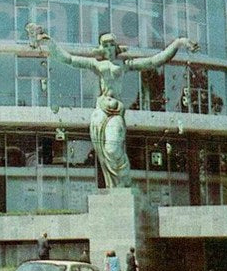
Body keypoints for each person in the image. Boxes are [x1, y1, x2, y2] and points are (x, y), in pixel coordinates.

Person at [32, 25, 197, 188]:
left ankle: (124, 184)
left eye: (112, 44)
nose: (109, 48)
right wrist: (49, 41)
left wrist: (179, 43)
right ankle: (115, 188)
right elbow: (68, 59)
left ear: (116, 47)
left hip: (116, 112)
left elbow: (155, 60)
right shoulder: (97, 65)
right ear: (102, 48)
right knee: (104, 152)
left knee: (112, 149)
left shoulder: (125, 65)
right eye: (106, 45)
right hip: (101, 111)